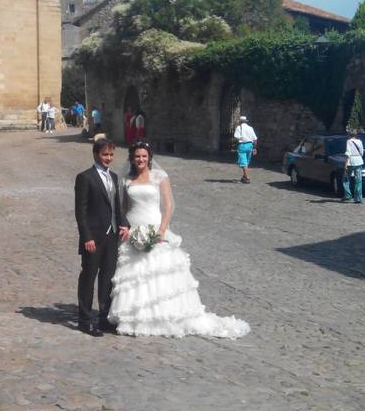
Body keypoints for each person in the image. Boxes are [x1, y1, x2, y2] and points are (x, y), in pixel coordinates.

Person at [107, 142, 250, 338]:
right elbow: (123, 207)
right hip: (133, 229)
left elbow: (168, 205)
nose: (140, 159)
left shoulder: (160, 177)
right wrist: (125, 227)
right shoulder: (127, 179)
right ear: (131, 158)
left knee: (159, 273)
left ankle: (163, 316)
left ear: (149, 157)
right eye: (137, 156)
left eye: (144, 156)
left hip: (155, 226)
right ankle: (135, 317)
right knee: (135, 274)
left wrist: (162, 230)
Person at [74, 138, 130, 337]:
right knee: (89, 278)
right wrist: (86, 237)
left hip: (112, 235)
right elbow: (80, 211)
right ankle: (85, 319)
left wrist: (125, 224)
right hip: (94, 238)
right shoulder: (85, 178)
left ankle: (104, 317)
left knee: (107, 279)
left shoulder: (114, 177)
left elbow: (116, 207)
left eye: (111, 155)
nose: (109, 158)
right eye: (105, 154)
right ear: (96, 154)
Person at [233, 115, 258, 183]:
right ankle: (244, 176)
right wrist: (255, 148)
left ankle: (247, 178)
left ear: (240, 121)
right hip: (250, 145)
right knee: (247, 161)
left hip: (243, 145)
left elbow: (236, 137)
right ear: (246, 121)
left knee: (243, 162)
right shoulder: (250, 128)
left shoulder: (239, 127)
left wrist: (241, 138)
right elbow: (255, 139)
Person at [343, 129, 365, 204]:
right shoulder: (360, 141)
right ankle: (358, 198)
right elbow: (362, 153)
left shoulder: (348, 141)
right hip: (359, 161)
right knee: (358, 180)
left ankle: (348, 195)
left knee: (346, 179)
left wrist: (345, 164)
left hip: (351, 162)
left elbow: (348, 153)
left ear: (349, 134)